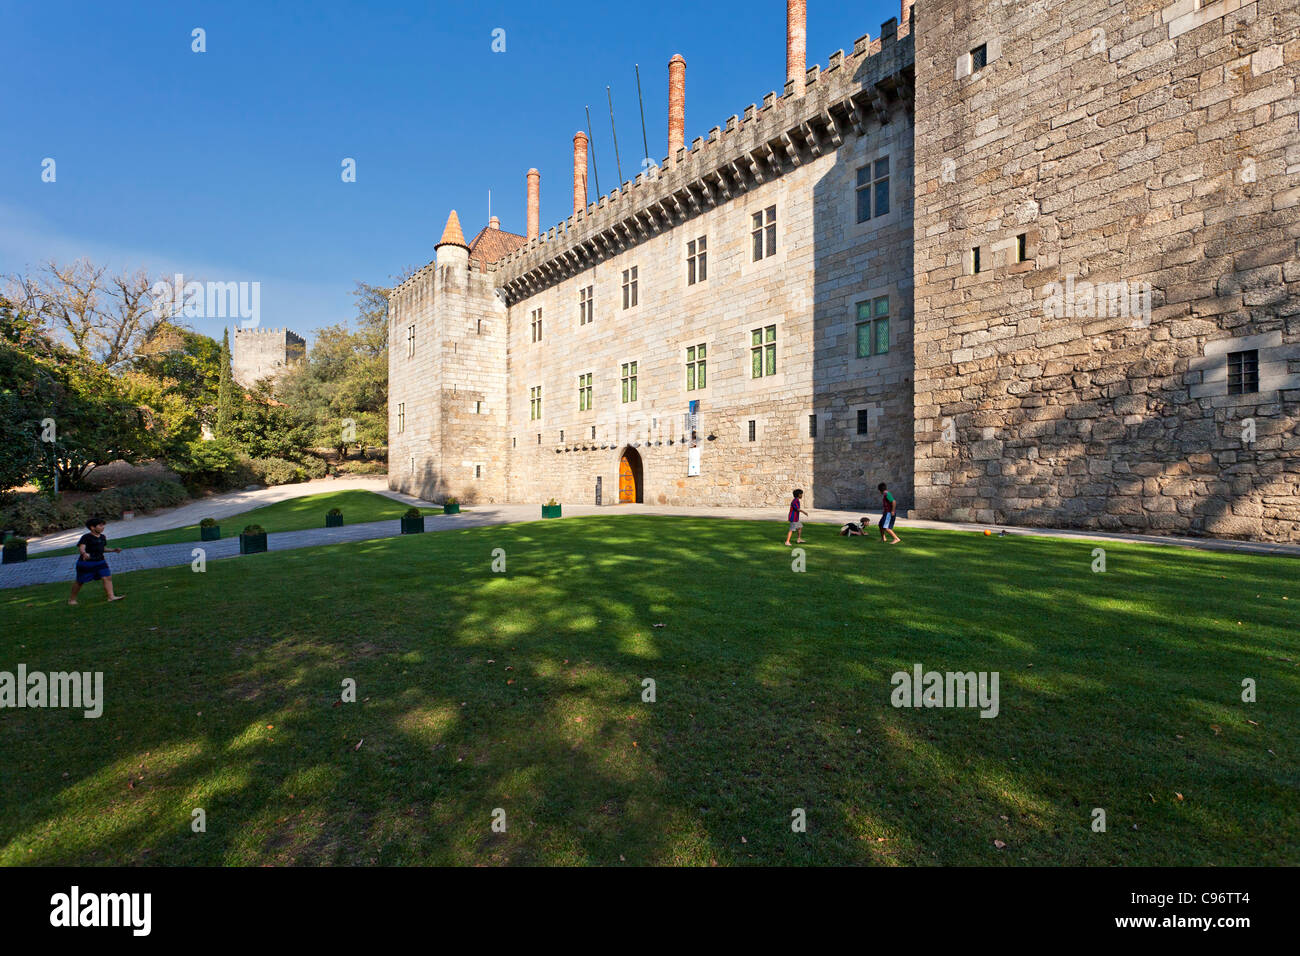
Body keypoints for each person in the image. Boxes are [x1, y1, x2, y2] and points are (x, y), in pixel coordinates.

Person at [69, 517, 124, 605]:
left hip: (100, 561)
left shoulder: (102, 537)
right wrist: (84, 553)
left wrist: (114, 550)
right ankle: (72, 600)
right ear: (92, 527)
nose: (103, 527)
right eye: (100, 525)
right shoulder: (86, 537)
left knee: (107, 577)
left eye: (103, 525)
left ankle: (111, 597)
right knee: (80, 581)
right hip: (86, 563)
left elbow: (102, 549)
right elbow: (82, 548)